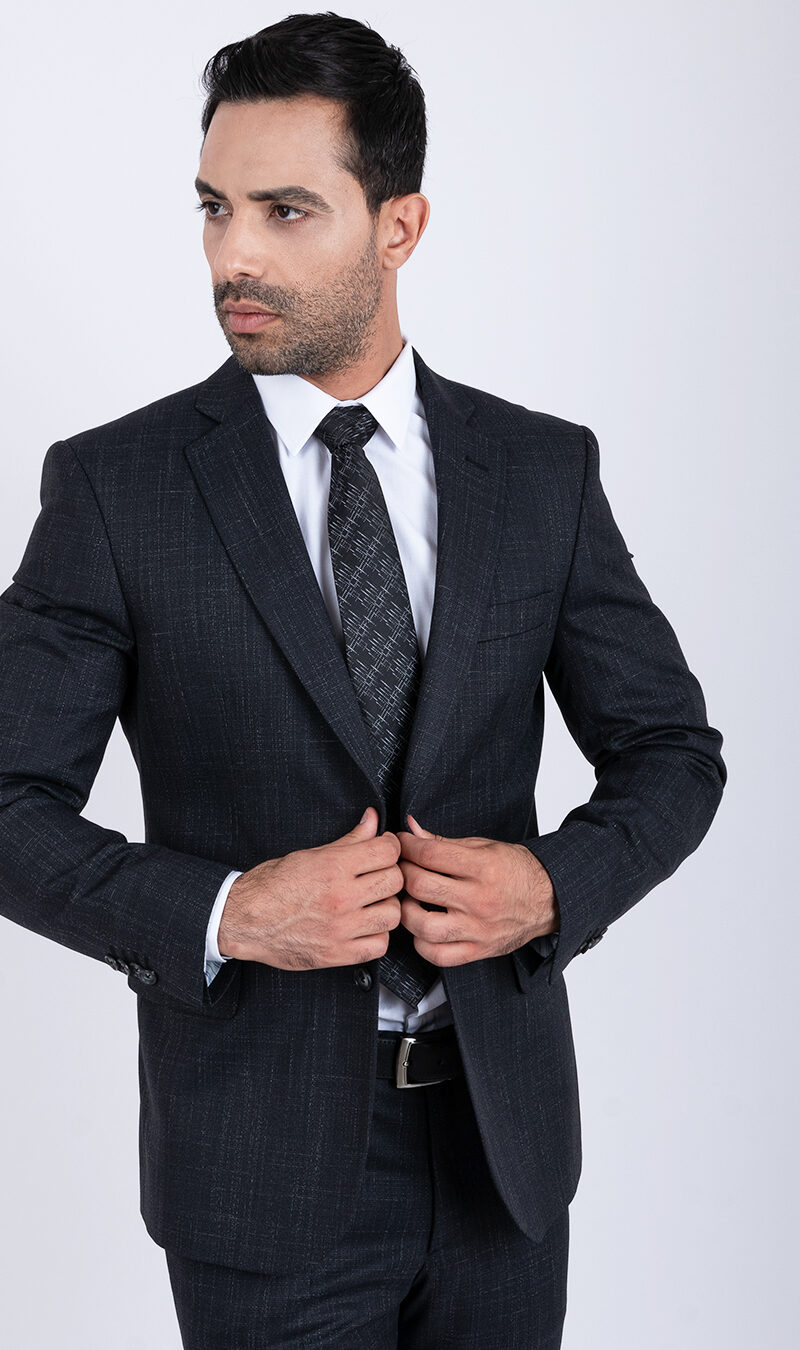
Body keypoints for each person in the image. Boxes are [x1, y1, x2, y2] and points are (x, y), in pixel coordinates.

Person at [0, 12, 726, 1348]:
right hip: (259, 1172)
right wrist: (228, 912)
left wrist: (553, 886)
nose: (234, 255)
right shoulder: (116, 489)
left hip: (503, 1155)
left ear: (401, 227)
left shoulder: (540, 472)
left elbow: (672, 752)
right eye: (214, 208)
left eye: (285, 212)